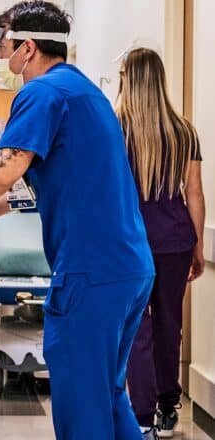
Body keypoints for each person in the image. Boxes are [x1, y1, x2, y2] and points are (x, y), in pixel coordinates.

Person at [0, 2, 154, 439]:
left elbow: (5, 167)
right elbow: (22, 190)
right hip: (129, 267)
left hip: (91, 269)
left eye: (2, 45)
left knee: (81, 403)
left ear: (27, 47)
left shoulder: (41, 93)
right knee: (108, 393)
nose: (0, 57)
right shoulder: (83, 92)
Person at [117, 48, 206, 439]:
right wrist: (199, 246)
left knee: (137, 327)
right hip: (175, 241)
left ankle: (141, 414)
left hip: (131, 241)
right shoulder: (183, 130)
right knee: (171, 325)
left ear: (128, 79)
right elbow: (195, 194)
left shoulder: (116, 128)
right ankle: (169, 406)